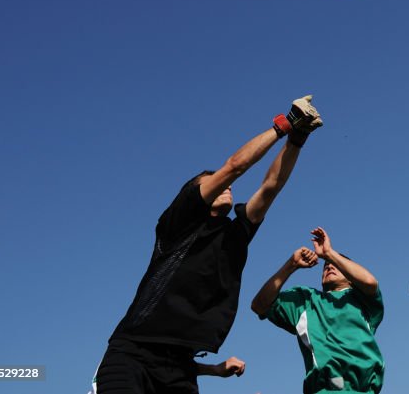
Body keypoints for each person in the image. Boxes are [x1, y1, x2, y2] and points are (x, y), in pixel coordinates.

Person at [93, 94, 324, 394]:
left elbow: (271, 186)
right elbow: (234, 166)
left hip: (180, 365)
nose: (226, 184)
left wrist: (299, 137)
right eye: (213, 180)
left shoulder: (236, 234)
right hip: (132, 354)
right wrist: (287, 123)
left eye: (225, 183)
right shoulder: (177, 225)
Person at [252, 227, 384, 394]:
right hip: (325, 389)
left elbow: (370, 282)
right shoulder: (305, 300)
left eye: (336, 264)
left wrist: (329, 254)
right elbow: (259, 305)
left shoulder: (362, 300)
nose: (329, 266)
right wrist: (291, 265)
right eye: (326, 266)